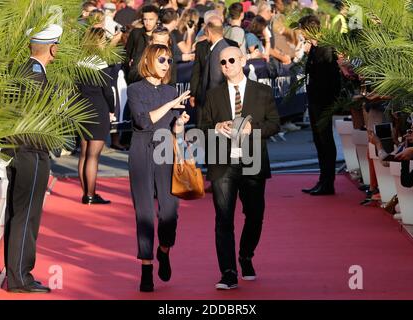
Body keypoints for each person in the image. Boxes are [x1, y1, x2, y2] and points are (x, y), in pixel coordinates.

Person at [199, 46, 280, 289]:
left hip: (252, 162)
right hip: (222, 164)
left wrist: (251, 130)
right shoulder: (213, 95)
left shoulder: (262, 92)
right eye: (222, 62)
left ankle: (245, 255)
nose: (227, 66)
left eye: (231, 60)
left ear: (242, 60)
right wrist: (216, 128)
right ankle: (228, 272)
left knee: (255, 216)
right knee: (223, 219)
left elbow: (275, 124)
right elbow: (201, 128)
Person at [3, 24, 63, 294]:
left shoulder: (22, 71)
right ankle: (20, 278)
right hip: (32, 152)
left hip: (18, 151)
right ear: (52, 48)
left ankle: (16, 274)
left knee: (17, 215)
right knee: (26, 217)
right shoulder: (36, 76)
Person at [127, 44, 191, 292]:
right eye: (162, 59)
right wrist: (172, 104)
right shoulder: (135, 90)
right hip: (141, 151)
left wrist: (180, 124)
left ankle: (164, 250)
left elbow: (175, 128)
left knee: (169, 211)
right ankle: (146, 268)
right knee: (143, 213)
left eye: (169, 60)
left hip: (166, 148)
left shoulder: (170, 91)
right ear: (149, 60)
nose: (166, 64)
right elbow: (143, 122)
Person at [299, 15, 341, 195]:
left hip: (323, 101)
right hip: (315, 100)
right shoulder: (315, 49)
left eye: (301, 29)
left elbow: (328, 76)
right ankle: (323, 180)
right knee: (319, 141)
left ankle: (327, 182)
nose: (300, 33)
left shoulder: (324, 48)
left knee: (325, 141)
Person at [77, 28, 115, 205]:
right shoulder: (100, 63)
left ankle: (86, 192)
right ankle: (91, 195)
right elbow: (108, 91)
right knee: (93, 156)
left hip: (81, 109)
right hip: (98, 108)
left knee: (84, 154)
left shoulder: (78, 61)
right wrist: (112, 109)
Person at [125, 4, 159, 83]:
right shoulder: (136, 33)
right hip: (136, 77)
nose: (147, 22)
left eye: (151, 19)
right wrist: (129, 64)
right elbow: (126, 53)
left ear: (157, 19)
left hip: (155, 76)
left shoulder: (161, 35)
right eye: (145, 19)